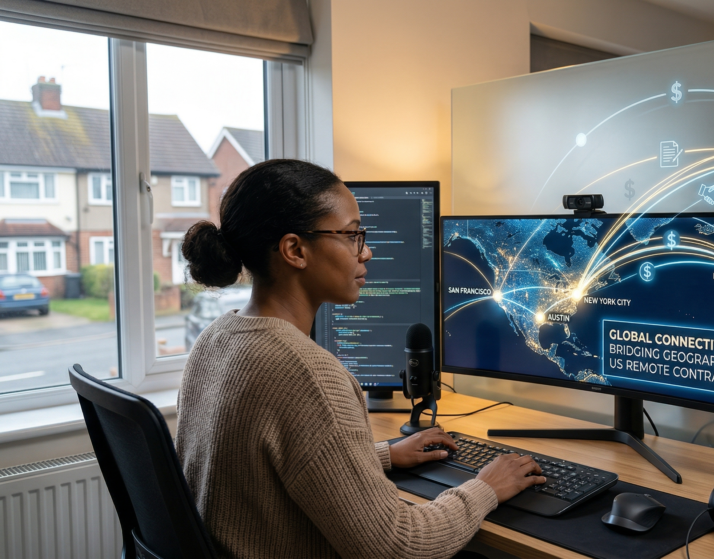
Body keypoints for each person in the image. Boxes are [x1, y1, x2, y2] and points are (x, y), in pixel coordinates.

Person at [177, 159, 545, 558]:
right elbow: (399, 547)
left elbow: (261, 468)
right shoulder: (309, 375)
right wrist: (486, 487)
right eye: (352, 235)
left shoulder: (214, 341)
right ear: (295, 250)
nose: (366, 252)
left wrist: (381, 455)